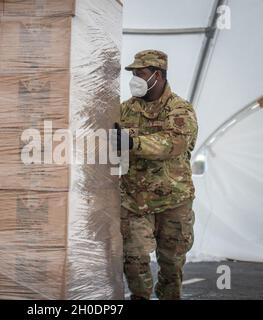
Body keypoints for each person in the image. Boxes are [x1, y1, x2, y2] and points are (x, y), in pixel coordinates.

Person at [115, 49, 198, 300]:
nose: (134, 79)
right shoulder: (124, 110)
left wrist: (132, 143)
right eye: (132, 74)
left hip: (173, 201)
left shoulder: (180, 110)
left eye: (140, 73)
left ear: (157, 75)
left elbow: (173, 144)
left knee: (171, 265)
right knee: (134, 258)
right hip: (134, 200)